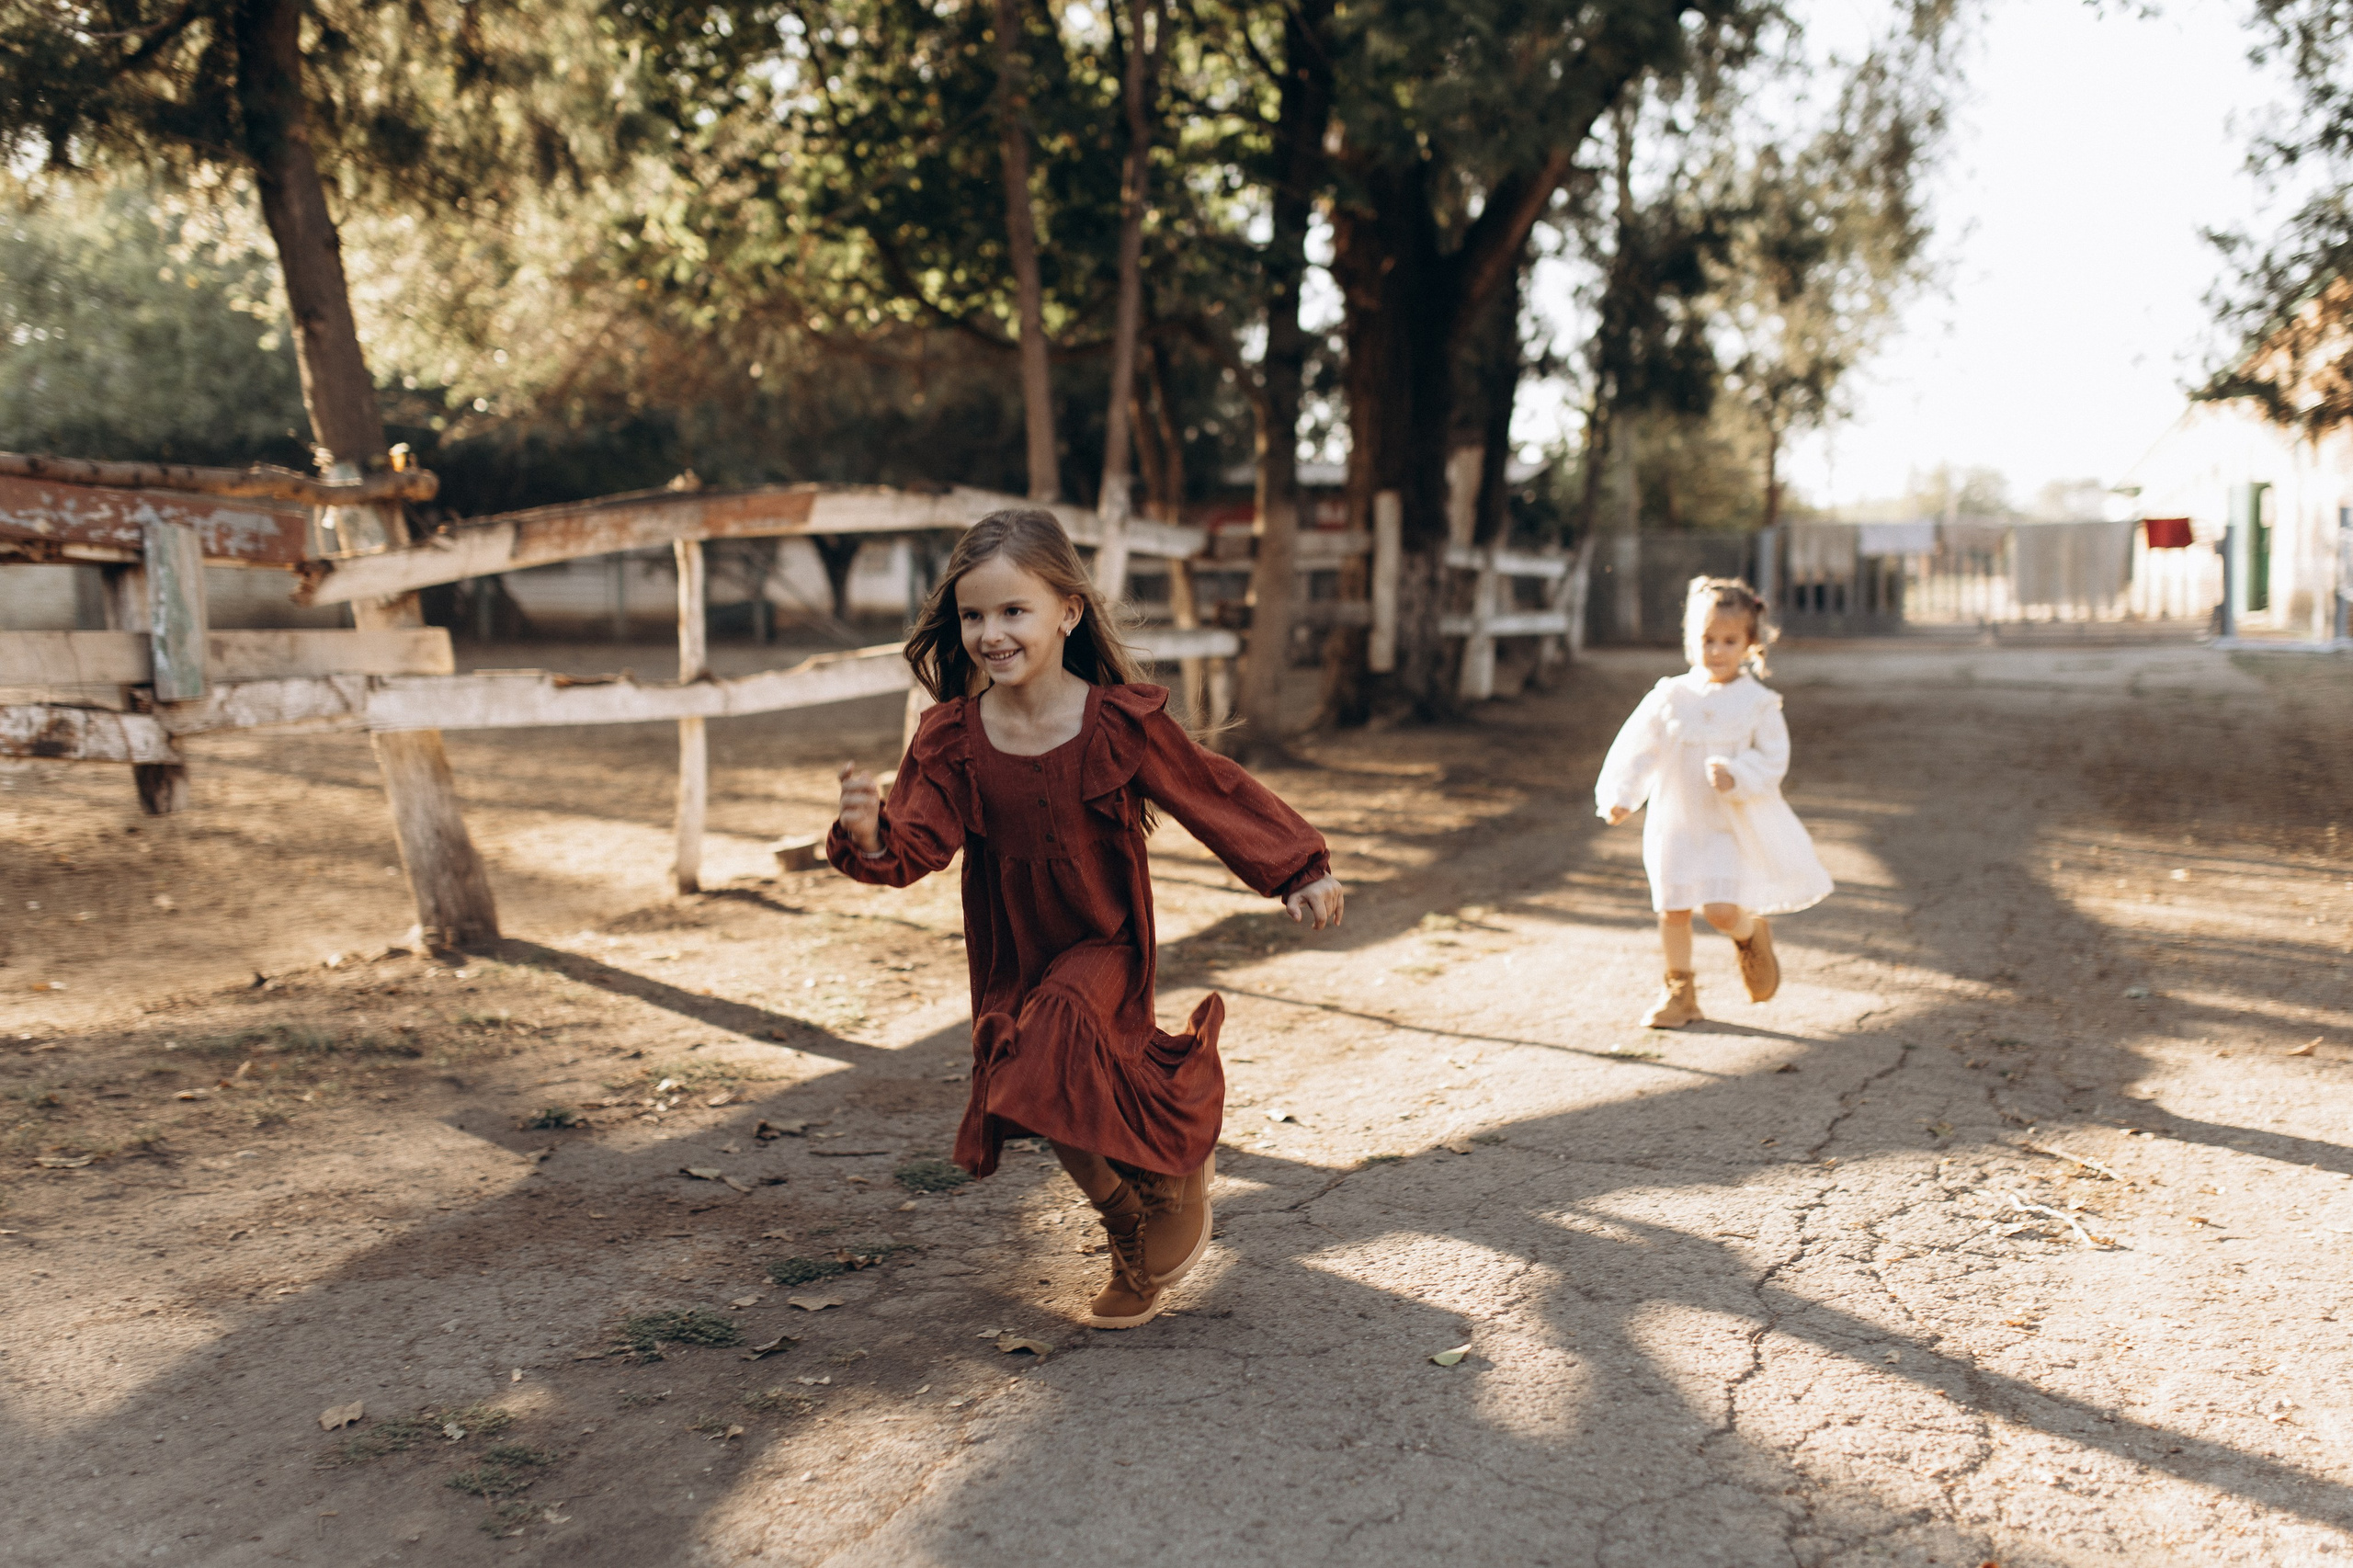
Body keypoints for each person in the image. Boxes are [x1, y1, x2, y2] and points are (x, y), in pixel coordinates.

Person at [828, 508, 1344, 1329]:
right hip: (1013, 953)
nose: (990, 633)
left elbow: (1210, 790)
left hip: (1104, 942)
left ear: (1068, 613)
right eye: (973, 615)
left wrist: (1298, 867)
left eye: (1013, 611)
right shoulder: (952, 739)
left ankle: (1129, 1228)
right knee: (1030, 1085)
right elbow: (916, 846)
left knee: (1050, 1046)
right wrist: (871, 833)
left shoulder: (1116, 723)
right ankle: (1147, 1193)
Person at [1594, 576, 1832, 1028]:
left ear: (1750, 643)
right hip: (1676, 820)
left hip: (1728, 824)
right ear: (1691, 639)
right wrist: (1622, 796)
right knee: (1673, 908)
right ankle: (1680, 993)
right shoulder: (1670, 697)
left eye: (1728, 641)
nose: (1717, 650)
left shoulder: (1759, 703)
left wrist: (1739, 774)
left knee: (1720, 911)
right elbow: (1637, 748)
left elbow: (1774, 759)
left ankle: (1750, 932)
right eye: (1707, 639)